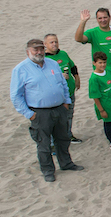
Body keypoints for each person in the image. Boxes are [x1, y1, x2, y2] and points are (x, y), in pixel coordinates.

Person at [10, 39, 83, 182]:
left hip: (59, 108)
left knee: (63, 139)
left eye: (41, 49)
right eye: (35, 49)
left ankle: (66, 163)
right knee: (44, 144)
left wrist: (66, 102)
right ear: (28, 51)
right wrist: (29, 114)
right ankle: (48, 170)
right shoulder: (20, 69)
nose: (39, 52)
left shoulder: (53, 63)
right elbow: (15, 95)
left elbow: (63, 83)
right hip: (40, 113)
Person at [44, 33, 81, 144]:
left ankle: (69, 135)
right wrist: (58, 77)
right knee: (56, 119)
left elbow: (72, 67)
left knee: (69, 115)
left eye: (56, 41)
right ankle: (55, 141)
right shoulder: (44, 59)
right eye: (51, 42)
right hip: (56, 96)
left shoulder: (63, 54)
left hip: (69, 91)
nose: (54, 44)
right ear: (45, 44)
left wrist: (77, 78)